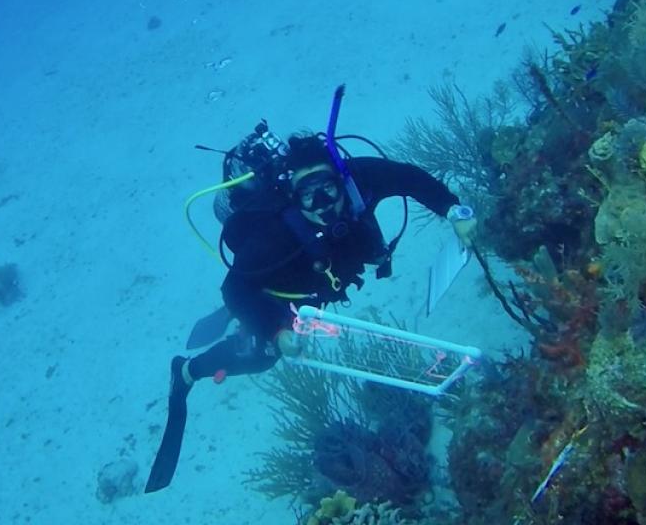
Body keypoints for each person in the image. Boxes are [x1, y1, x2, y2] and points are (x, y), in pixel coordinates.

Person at [145, 132, 476, 492]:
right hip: (277, 290)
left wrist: (454, 210)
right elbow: (234, 288)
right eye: (308, 195)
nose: (322, 204)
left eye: (328, 190)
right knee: (263, 356)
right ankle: (187, 372)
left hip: (318, 280)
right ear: (293, 196)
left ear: (340, 180)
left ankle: (244, 321)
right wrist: (276, 330)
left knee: (261, 304)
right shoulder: (271, 236)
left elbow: (408, 177)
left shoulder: (359, 180)